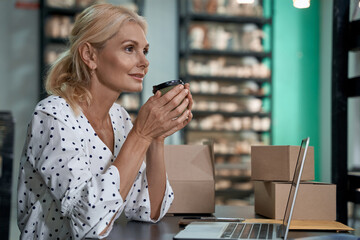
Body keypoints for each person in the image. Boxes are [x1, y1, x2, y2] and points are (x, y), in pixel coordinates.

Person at [17, 3, 193, 239]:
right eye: (130, 49)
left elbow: (148, 210)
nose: (144, 62)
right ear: (90, 55)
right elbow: (90, 224)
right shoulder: (53, 116)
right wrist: (141, 135)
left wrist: (156, 138)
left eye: (145, 51)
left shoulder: (119, 118)